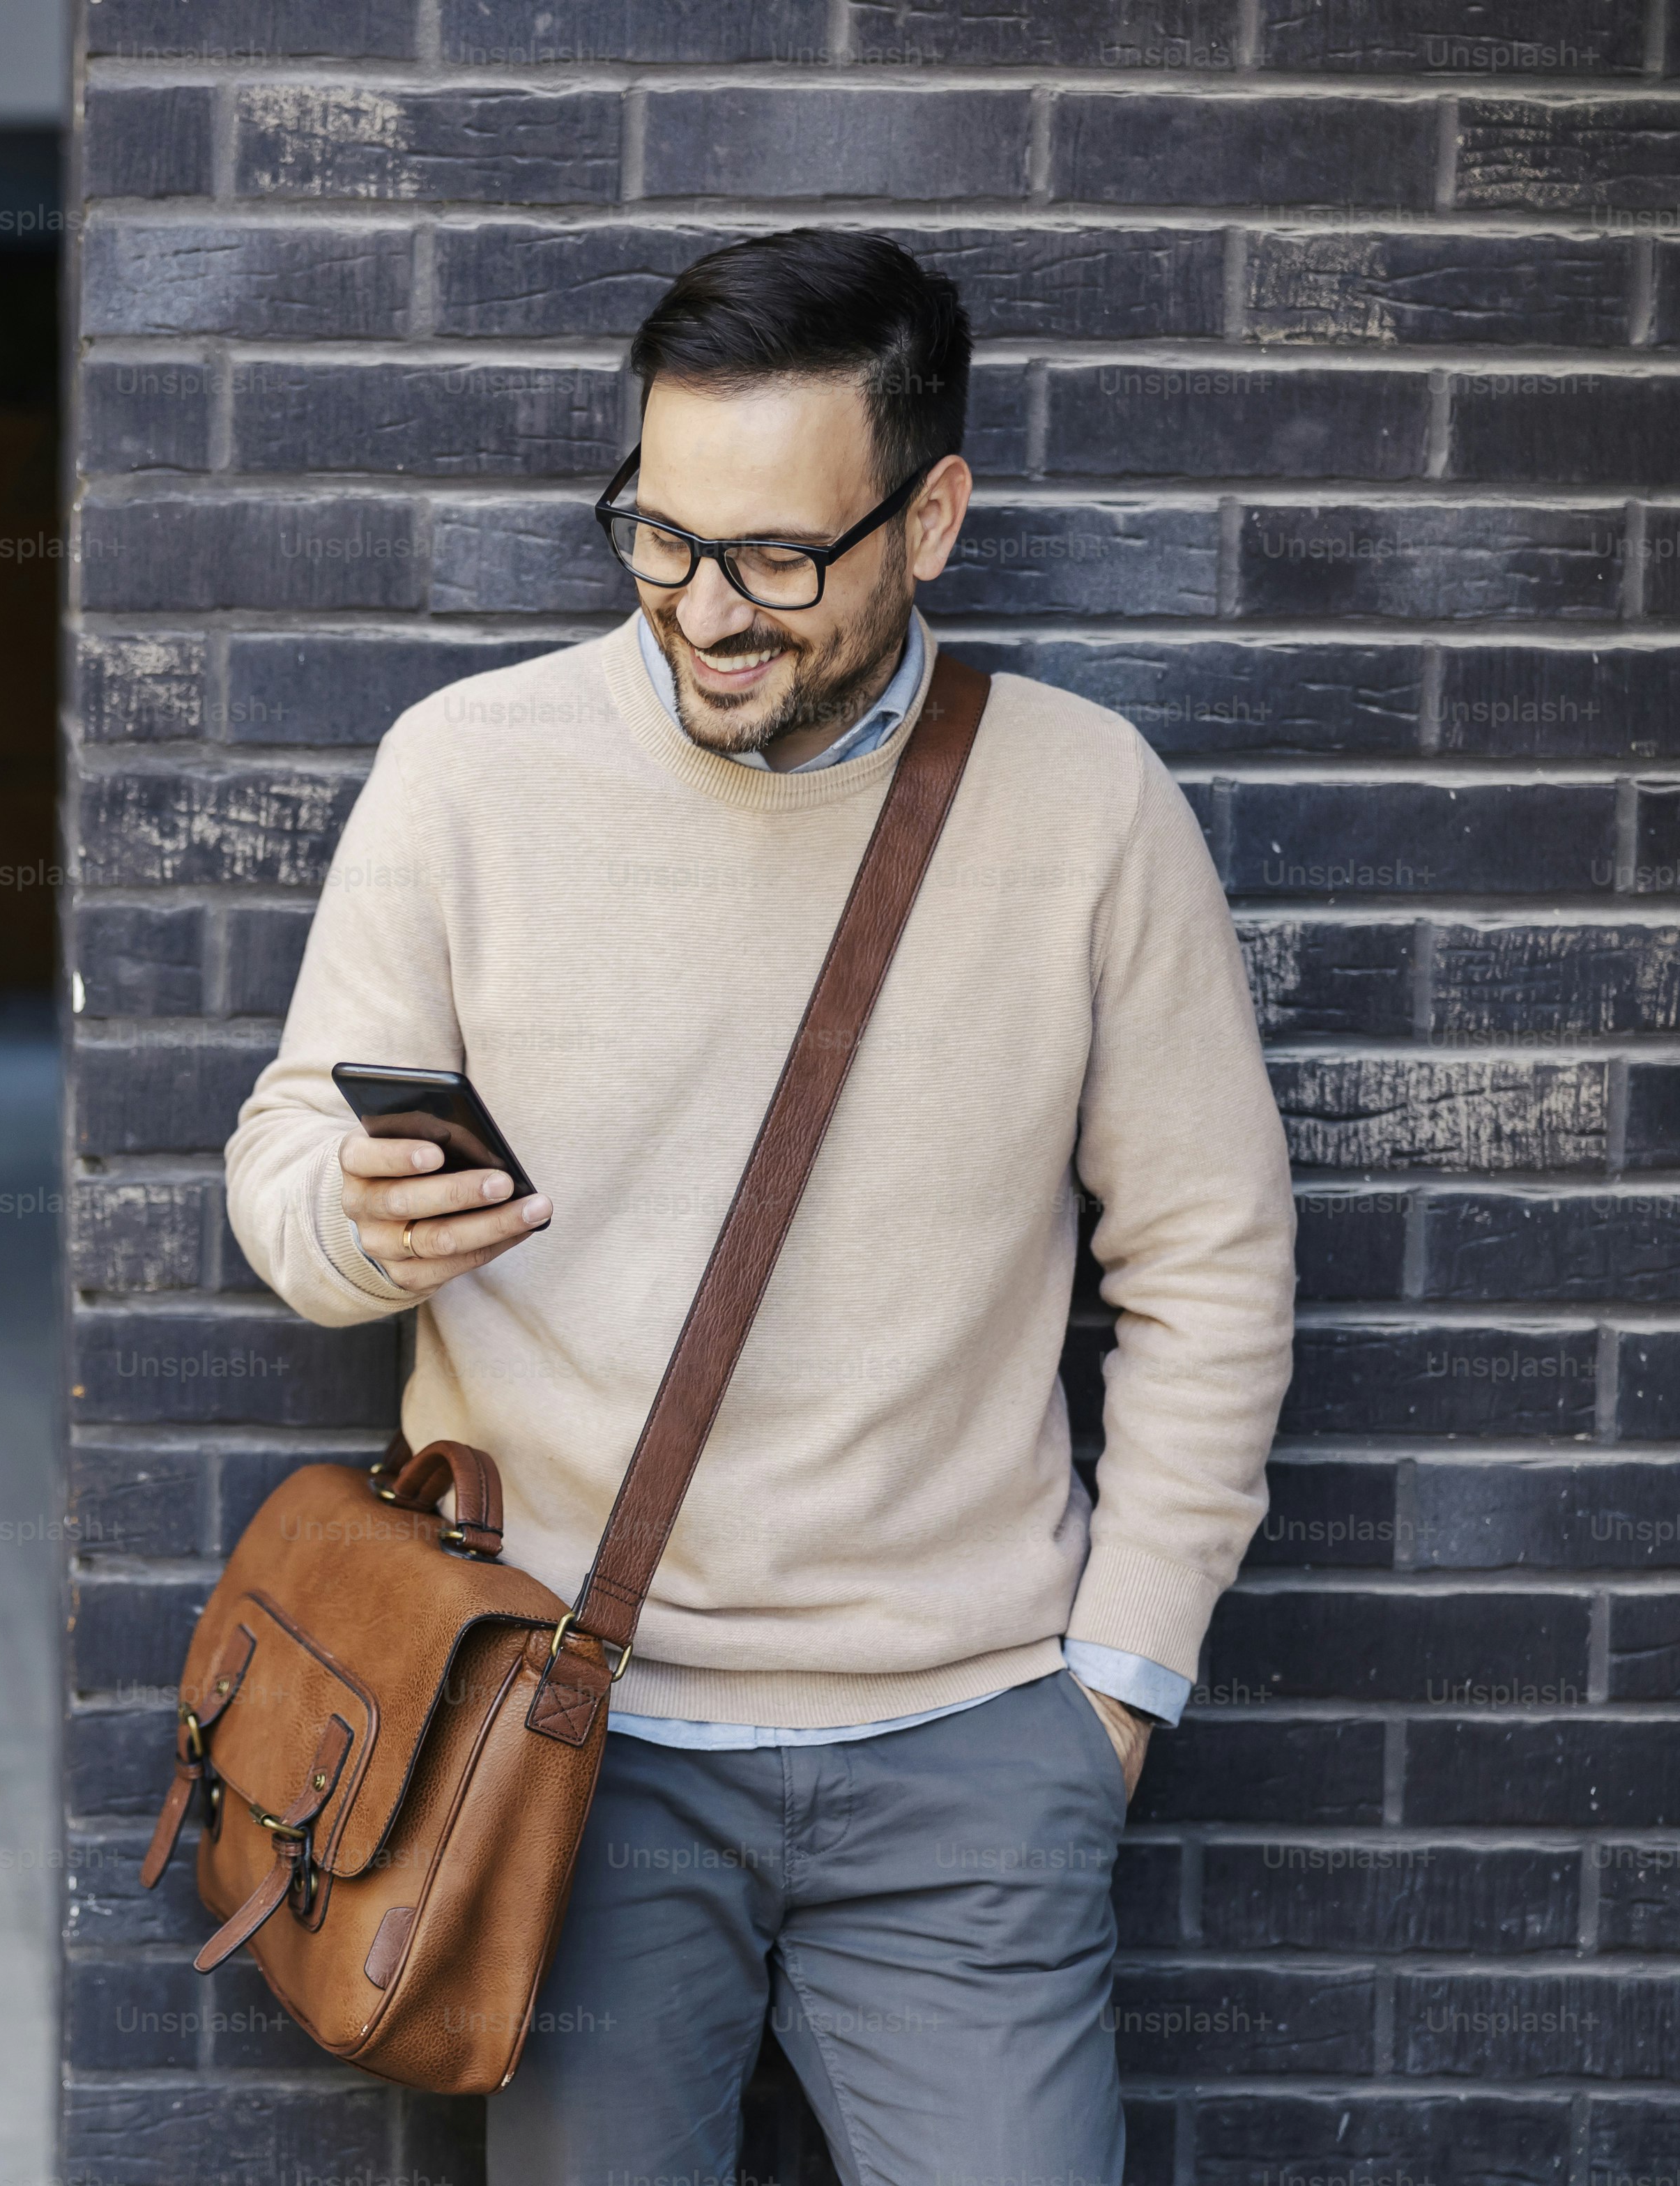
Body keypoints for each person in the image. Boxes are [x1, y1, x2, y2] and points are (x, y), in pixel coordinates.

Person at [222, 229, 1294, 2185]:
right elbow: (283, 1168)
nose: (704, 612)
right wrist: (360, 1220)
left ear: (932, 515)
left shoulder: (1088, 807)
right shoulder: (466, 773)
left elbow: (1209, 1266)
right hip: (566, 1748)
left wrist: (1117, 1694)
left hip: (975, 1754)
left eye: (778, 560)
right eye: (658, 536)